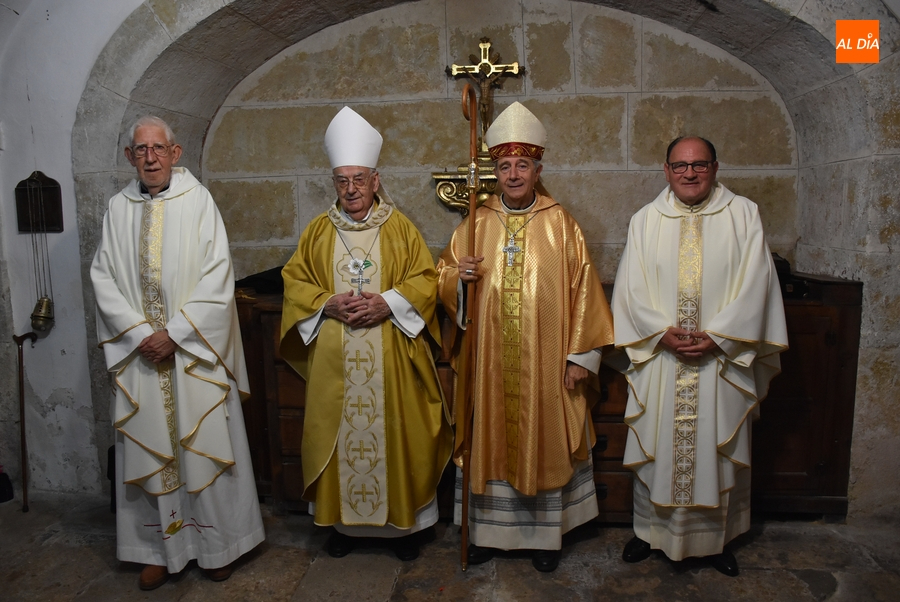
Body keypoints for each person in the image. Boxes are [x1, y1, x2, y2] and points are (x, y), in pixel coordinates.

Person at [436, 102, 614, 572]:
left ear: (538, 169)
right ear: (494, 171)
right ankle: (487, 536)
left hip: (546, 366)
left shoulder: (563, 225)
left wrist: (581, 357)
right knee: (487, 438)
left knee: (544, 439)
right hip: (488, 366)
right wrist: (459, 279)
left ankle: (541, 538)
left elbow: (585, 295)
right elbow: (443, 278)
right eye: (503, 165)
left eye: (522, 165)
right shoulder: (475, 223)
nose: (513, 174)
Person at [90, 116, 264, 591]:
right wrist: (138, 333)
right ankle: (159, 550)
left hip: (193, 355)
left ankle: (215, 546)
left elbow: (218, 276)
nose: (150, 158)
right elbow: (103, 277)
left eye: (158, 149)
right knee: (152, 444)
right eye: (140, 150)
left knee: (202, 443)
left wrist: (177, 333)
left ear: (176, 152)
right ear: (130, 157)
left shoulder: (199, 202)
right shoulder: (117, 209)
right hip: (142, 354)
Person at [280, 107, 452, 561]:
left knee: (397, 433)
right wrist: (326, 303)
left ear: (376, 180)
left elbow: (426, 280)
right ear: (334, 183)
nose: (351, 189)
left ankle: (404, 529)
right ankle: (345, 529)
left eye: (359, 179)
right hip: (336, 361)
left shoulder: (400, 229)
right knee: (339, 435)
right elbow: (295, 282)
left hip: (391, 357)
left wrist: (388, 303)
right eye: (342, 180)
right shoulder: (318, 232)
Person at [611, 136, 788, 576]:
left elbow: (758, 282)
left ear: (715, 166)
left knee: (714, 447)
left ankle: (717, 541)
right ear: (666, 169)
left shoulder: (743, 215)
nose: (689, 173)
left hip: (721, 362)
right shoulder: (645, 219)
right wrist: (659, 333)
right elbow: (630, 287)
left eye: (699, 165)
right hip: (663, 360)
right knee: (660, 446)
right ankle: (649, 532)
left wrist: (723, 337)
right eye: (680, 166)